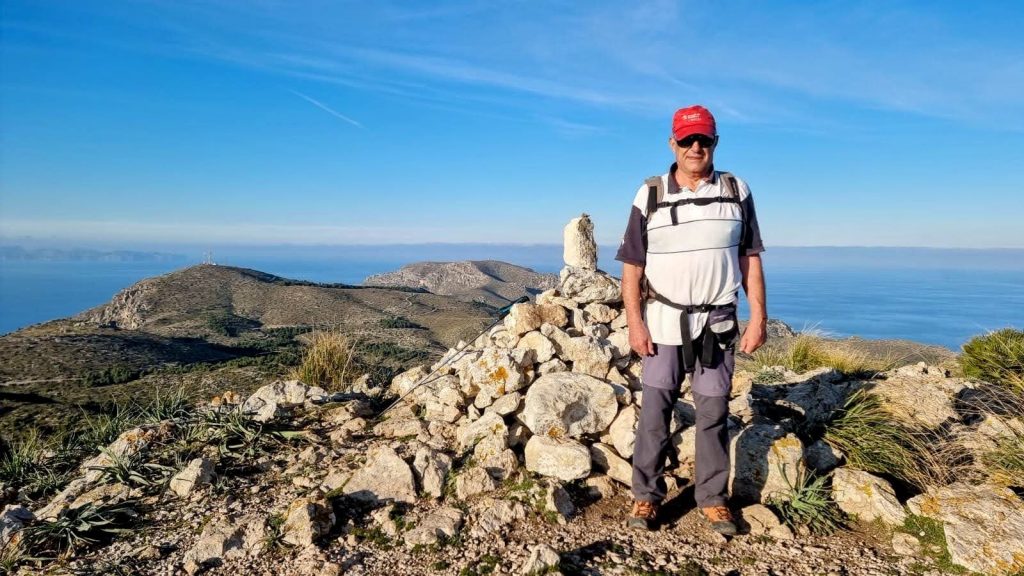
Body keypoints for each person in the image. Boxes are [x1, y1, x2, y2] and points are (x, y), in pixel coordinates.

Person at [615, 105, 767, 534]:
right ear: (673, 144)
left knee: (714, 412)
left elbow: (750, 258)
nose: (695, 147)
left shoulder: (736, 190)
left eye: (703, 139)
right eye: (687, 140)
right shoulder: (650, 194)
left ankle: (713, 499)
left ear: (715, 143)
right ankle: (646, 497)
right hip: (663, 320)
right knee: (654, 412)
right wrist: (635, 323)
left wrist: (759, 316)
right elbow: (632, 266)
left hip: (717, 322)